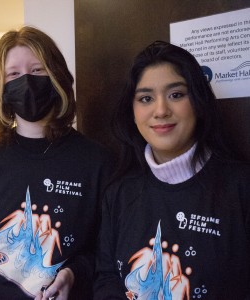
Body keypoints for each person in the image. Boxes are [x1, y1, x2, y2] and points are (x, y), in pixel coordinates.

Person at [0, 26, 111, 300]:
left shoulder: (96, 161)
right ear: (1, 88)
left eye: (37, 70)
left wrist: (74, 272)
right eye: (13, 74)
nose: (26, 81)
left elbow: (108, 253)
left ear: (57, 76)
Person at [93, 41, 250, 299]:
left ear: (198, 102)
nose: (161, 110)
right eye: (146, 98)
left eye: (176, 95)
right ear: (132, 112)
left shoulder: (241, 187)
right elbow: (107, 279)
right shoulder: (119, 192)